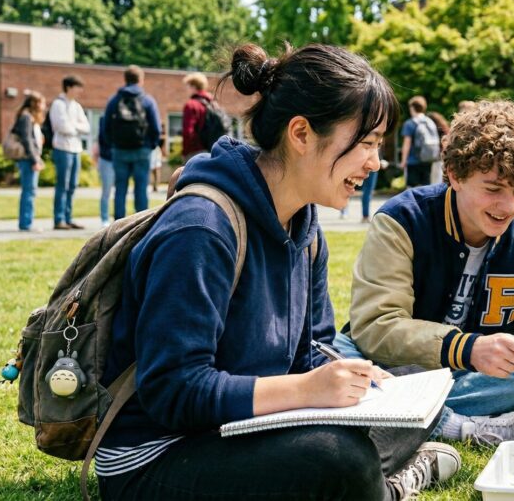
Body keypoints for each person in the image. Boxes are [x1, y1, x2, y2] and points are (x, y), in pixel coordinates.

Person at [96, 42, 460, 501]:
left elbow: (311, 351)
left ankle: (364, 482)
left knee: (409, 384)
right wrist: (306, 389)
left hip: (246, 428)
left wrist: (348, 378)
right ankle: (385, 488)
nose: (375, 161)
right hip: (158, 454)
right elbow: (173, 391)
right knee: (339, 462)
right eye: (366, 142)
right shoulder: (201, 228)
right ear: (301, 133)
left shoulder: (305, 227)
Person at [334, 100, 514, 446]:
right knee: (334, 351)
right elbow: (375, 328)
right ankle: (461, 426)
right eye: (493, 189)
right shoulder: (402, 220)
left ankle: (393, 411)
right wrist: (466, 348)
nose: (508, 206)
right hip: (390, 366)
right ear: (455, 175)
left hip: (469, 376)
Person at [101, 66, 161, 220]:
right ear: (141, 80)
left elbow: (105, 127)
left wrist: (113, 145)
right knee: (141, 189)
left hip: (119, 150)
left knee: (120, 189)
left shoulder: (114, 100)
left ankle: (118, 224)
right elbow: (156, 128)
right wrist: (151, 146)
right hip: (142, 150)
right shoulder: (147, 100)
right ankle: (141, 224)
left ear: (125, 79)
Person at [50, 75, 90, 230]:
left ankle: (68, 218)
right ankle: (59, 219)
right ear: (68, 87)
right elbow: (62, 127)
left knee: (72, 185)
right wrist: (75, 127)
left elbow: (86, 127)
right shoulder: (58, 104)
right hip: (62, 149)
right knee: (63, 184)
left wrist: (73, 126)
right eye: (77, 87)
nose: (80, 91)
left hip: (76, 149)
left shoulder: (76, 106)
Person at [12, 92, 46, 232]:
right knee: (29, 191)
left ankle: (26, 222)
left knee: (30, 191)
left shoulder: (30, 117)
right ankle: (26, 223)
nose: (43, 106)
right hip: (28, 159)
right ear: (35, 103)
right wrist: (34, 160)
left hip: (31, 158)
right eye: (42, 103)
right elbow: (27, 140)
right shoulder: (26, 117)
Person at [399, 96, 438, 188]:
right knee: (426, 188)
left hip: (413, 161)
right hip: (428, 159)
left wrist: (403, 161)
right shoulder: (430, 122)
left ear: (412, 108)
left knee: (412, 189)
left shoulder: (410, 123)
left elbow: (407, 144)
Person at [180, 72, 212, 159]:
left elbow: (188, 132)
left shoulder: (191, 105)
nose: (186, 90)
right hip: (212, 151)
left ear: (193, 86)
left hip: (195, 152)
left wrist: (185, 152)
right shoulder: (212, 104)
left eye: (187, 86)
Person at [427, 111, 451, 185]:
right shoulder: (445, 129)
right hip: (444, 156)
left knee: (436, 181)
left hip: (437, 157)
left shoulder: (435, 130)